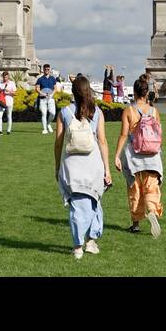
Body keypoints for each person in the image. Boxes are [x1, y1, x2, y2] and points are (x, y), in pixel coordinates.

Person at [55, 75, 111, 259]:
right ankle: (91, 241)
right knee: (94, 200)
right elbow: (102, 141)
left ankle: (78, 245)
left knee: (77, 206)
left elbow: (58, 143)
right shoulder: (97, 112)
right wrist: (107, 169)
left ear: (73, 91)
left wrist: (57, 166)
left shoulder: (64, 112)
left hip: (72, 165)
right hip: (93, 163)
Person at [113, 74, 162, 237]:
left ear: (134, 92)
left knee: (134, 189)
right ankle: (152, 210)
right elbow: (158, 133)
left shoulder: (129, 110)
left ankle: (135, 224)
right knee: (151, 186)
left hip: (134, 155)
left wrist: (117, 156)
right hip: (152, 154)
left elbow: (123, 135)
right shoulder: (154, 111)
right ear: (147, 92)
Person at [34, 63, 59, 134]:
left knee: (53, 113)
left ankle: (48, 123)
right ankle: (45, 129)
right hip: (42, 98)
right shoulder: (40, 79)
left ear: (49, 70)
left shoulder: (53, 78)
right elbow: (37, 89)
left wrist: (51, 94)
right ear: (43, 70)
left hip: (51, 98)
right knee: (44, 114)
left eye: (48, 69)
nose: (46, 70)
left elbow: (55, 88)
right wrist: (43, 94)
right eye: (45, 69)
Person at [0, 69, 17, 135]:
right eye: (4, 77)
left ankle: (8, 130)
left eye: (6, 77)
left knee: (9, 116)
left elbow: (15, 93)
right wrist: (1, 91)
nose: (5, 78)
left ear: (8, 77)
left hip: (9, 101)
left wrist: (8, 91)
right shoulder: (0, 84)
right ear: (2, 77)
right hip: (2, 101)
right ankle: (0, 130)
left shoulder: (12, 83)